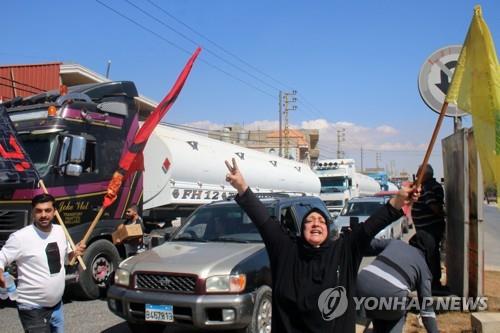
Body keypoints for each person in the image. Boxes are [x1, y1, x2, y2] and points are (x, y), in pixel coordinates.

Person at [224, 158, 419, 333]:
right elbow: (263, 220)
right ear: (301, 229)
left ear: (327, 229)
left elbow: (370, 227)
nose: (316, 223)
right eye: (310, 221)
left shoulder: (343, 251)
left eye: (321, 220)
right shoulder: (286, 250)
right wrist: (242, 187)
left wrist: (398, 200)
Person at [0, 193, 85, 333]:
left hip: (57, 306)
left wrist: (74, 253)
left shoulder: (60, 231)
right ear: (33, 212)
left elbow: (65, 260)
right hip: (32, 308)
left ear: (55, 212)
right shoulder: (20, 237)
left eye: (48, 210)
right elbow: (1, 257)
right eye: (39, 211)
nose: (43, 215)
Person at [356, 232, 439, 333]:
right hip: (391, 295)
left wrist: (353, 236)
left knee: (380, 310)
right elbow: (427, 310)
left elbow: (368, 245)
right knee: (398, 305)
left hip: (362, 284)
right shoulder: (424, 268)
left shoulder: (395, 243)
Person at [411, 164, 445, 288]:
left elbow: (435, 207)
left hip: (430, 229)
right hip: (424, 229)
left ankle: (433, 282)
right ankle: (427, 280)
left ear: (425, 175)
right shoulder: (426, 187)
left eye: (418, 174)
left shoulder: (429, 187)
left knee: (430, 254)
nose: (417, 176)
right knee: (426, 254)